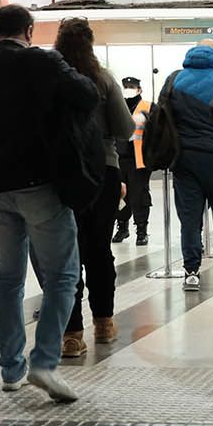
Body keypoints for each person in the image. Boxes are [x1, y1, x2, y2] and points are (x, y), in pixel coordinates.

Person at [0, 4, 97, 403]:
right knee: (62, 278)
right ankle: (44, 362)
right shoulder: (45, 62)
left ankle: (10, 370)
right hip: (42, 185)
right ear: (29, 31)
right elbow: (86, 96)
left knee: (7, 280)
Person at [53, 18, 136, 358]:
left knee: (66, 251)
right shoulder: (102, 79)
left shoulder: (51, 80)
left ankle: (72, 334)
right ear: (89, 45)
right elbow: (125, 128)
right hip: (103, 171)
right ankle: (103, 322)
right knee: (99, 249)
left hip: (60, 174)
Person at [164, 42, 213, 291]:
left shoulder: (175, 80)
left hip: (184, 158)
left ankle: (191, 272)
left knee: (189, 218)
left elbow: (165, 115)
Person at [114, 77, 153, 245]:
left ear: (139, 89)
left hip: (139, 160)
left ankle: (141, 230)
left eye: (132, 87)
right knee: (119, 195)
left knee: (139, 196)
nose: (128, 89)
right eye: (126, 87)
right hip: (118, 158)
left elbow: (155, 132)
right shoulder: (116, 105)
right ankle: (122, 227)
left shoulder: (148, 107)